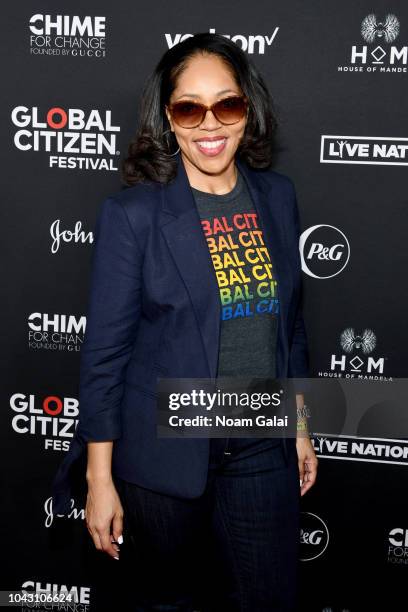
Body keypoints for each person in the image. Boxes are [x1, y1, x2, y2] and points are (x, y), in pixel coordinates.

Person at [52, 32, 318, 611]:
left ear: (249, 108)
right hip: (163, 457)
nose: (209, 124)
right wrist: (100, 480)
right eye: (188, 108)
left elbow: (290, 326)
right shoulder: (134, 215)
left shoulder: (277, 196)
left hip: (257, 446)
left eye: (227, 104)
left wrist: (299, 426)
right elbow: (104, 358)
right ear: (167, 119)